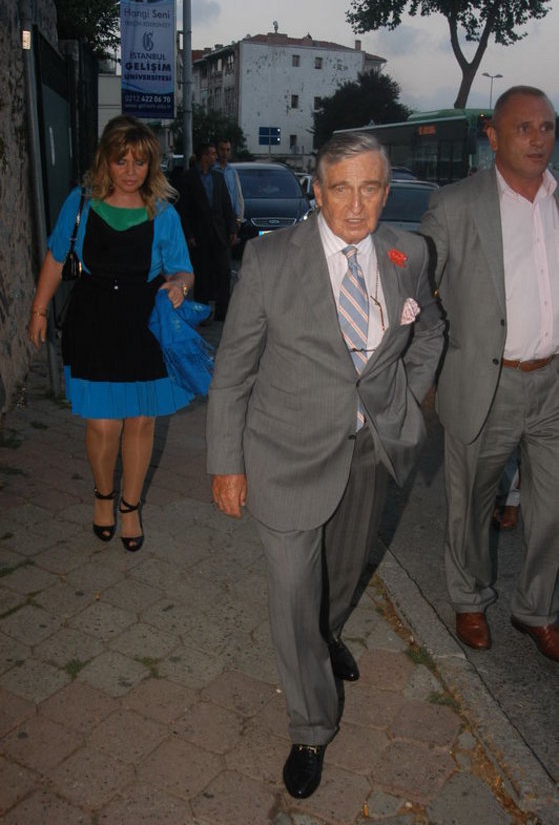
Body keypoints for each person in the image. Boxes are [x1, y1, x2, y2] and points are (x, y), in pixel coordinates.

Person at [206, 131, 444, 798]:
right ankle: (311, 725)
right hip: (282, 457)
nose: (356, 204)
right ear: (317, 191)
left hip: (366, 451)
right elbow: (233, 370)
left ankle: (328, 630)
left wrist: (405, 399)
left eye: (370, 188)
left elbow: (430, 332)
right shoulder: (268, 259)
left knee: (340, 576)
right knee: (291, 595)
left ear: (385, 192)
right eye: (341, 188)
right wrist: (226, 462)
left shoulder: (408, 253)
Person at [420, 86, 559, 662]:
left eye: (547, 127)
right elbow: (419, 288)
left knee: (552, 508)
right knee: (471, 505)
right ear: (494, 136)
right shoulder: (456, 204)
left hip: (553, 382)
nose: (538, 138)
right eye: (524, 128)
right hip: (486, 382)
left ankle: (537, 609)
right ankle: (469, 598)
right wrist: (433, 362)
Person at [28, 115, 194, 553]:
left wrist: (179, 286)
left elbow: (183, 269)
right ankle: (103, 495)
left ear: (151, 165)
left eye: (140, 162)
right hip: (94, 322)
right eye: (122, 161)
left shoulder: (163, 212)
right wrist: (38, 309)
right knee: (103, 424)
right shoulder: (81, 202)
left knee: (140, 421)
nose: (130, 171)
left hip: (145, 326)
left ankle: (130, 506)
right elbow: (55, 257)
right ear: (106, 160)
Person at [176, 142, 237, 321]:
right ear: (204, 156)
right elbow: (184, 210)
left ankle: (222, 311)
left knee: (224, 272)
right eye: (212, 154)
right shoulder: (188, 179)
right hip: (200, 235)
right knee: (202, 275)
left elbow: (226, 205)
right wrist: (189, 234)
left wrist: (232, 228)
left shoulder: (218, 178)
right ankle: (202, 312)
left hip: (219, 233)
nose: (215, 157)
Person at [214, 138, 245, 228]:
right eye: (222, 150)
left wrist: (239, 218)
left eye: (228, 150)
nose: (225, 153)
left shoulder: (232, 172)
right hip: (216, 218)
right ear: (216, 151)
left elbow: (238, 196)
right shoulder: (212, 170)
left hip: (231, 218)